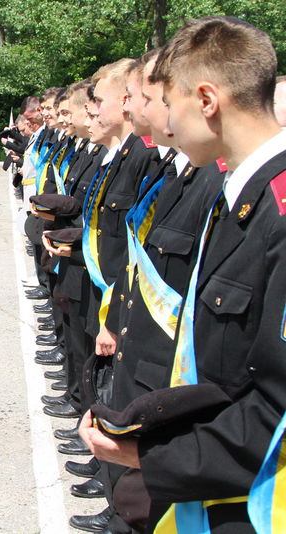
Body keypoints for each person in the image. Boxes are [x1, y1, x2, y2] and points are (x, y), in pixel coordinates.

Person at [80, 17, 286, 533]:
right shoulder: (238, 200)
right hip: (215, 481)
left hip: (248, 502)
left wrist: (153, 457)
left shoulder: (276, 214)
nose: (163, 120)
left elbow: (278, 409)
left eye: (169, 102)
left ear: (207, 100)